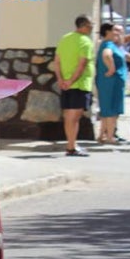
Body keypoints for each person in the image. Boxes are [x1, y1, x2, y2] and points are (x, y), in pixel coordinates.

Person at [54, 15, 95, 156]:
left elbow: (57, 61)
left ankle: (71, 144)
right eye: (90, 25)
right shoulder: (85, 41)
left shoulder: (65, 38)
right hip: (79, 84)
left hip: (66, 84)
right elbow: (82, 64)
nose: (92, 27)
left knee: (69, 117)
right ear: (84, 26)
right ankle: (71, 147)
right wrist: (71, 81)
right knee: (74, 118)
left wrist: (60, 79)